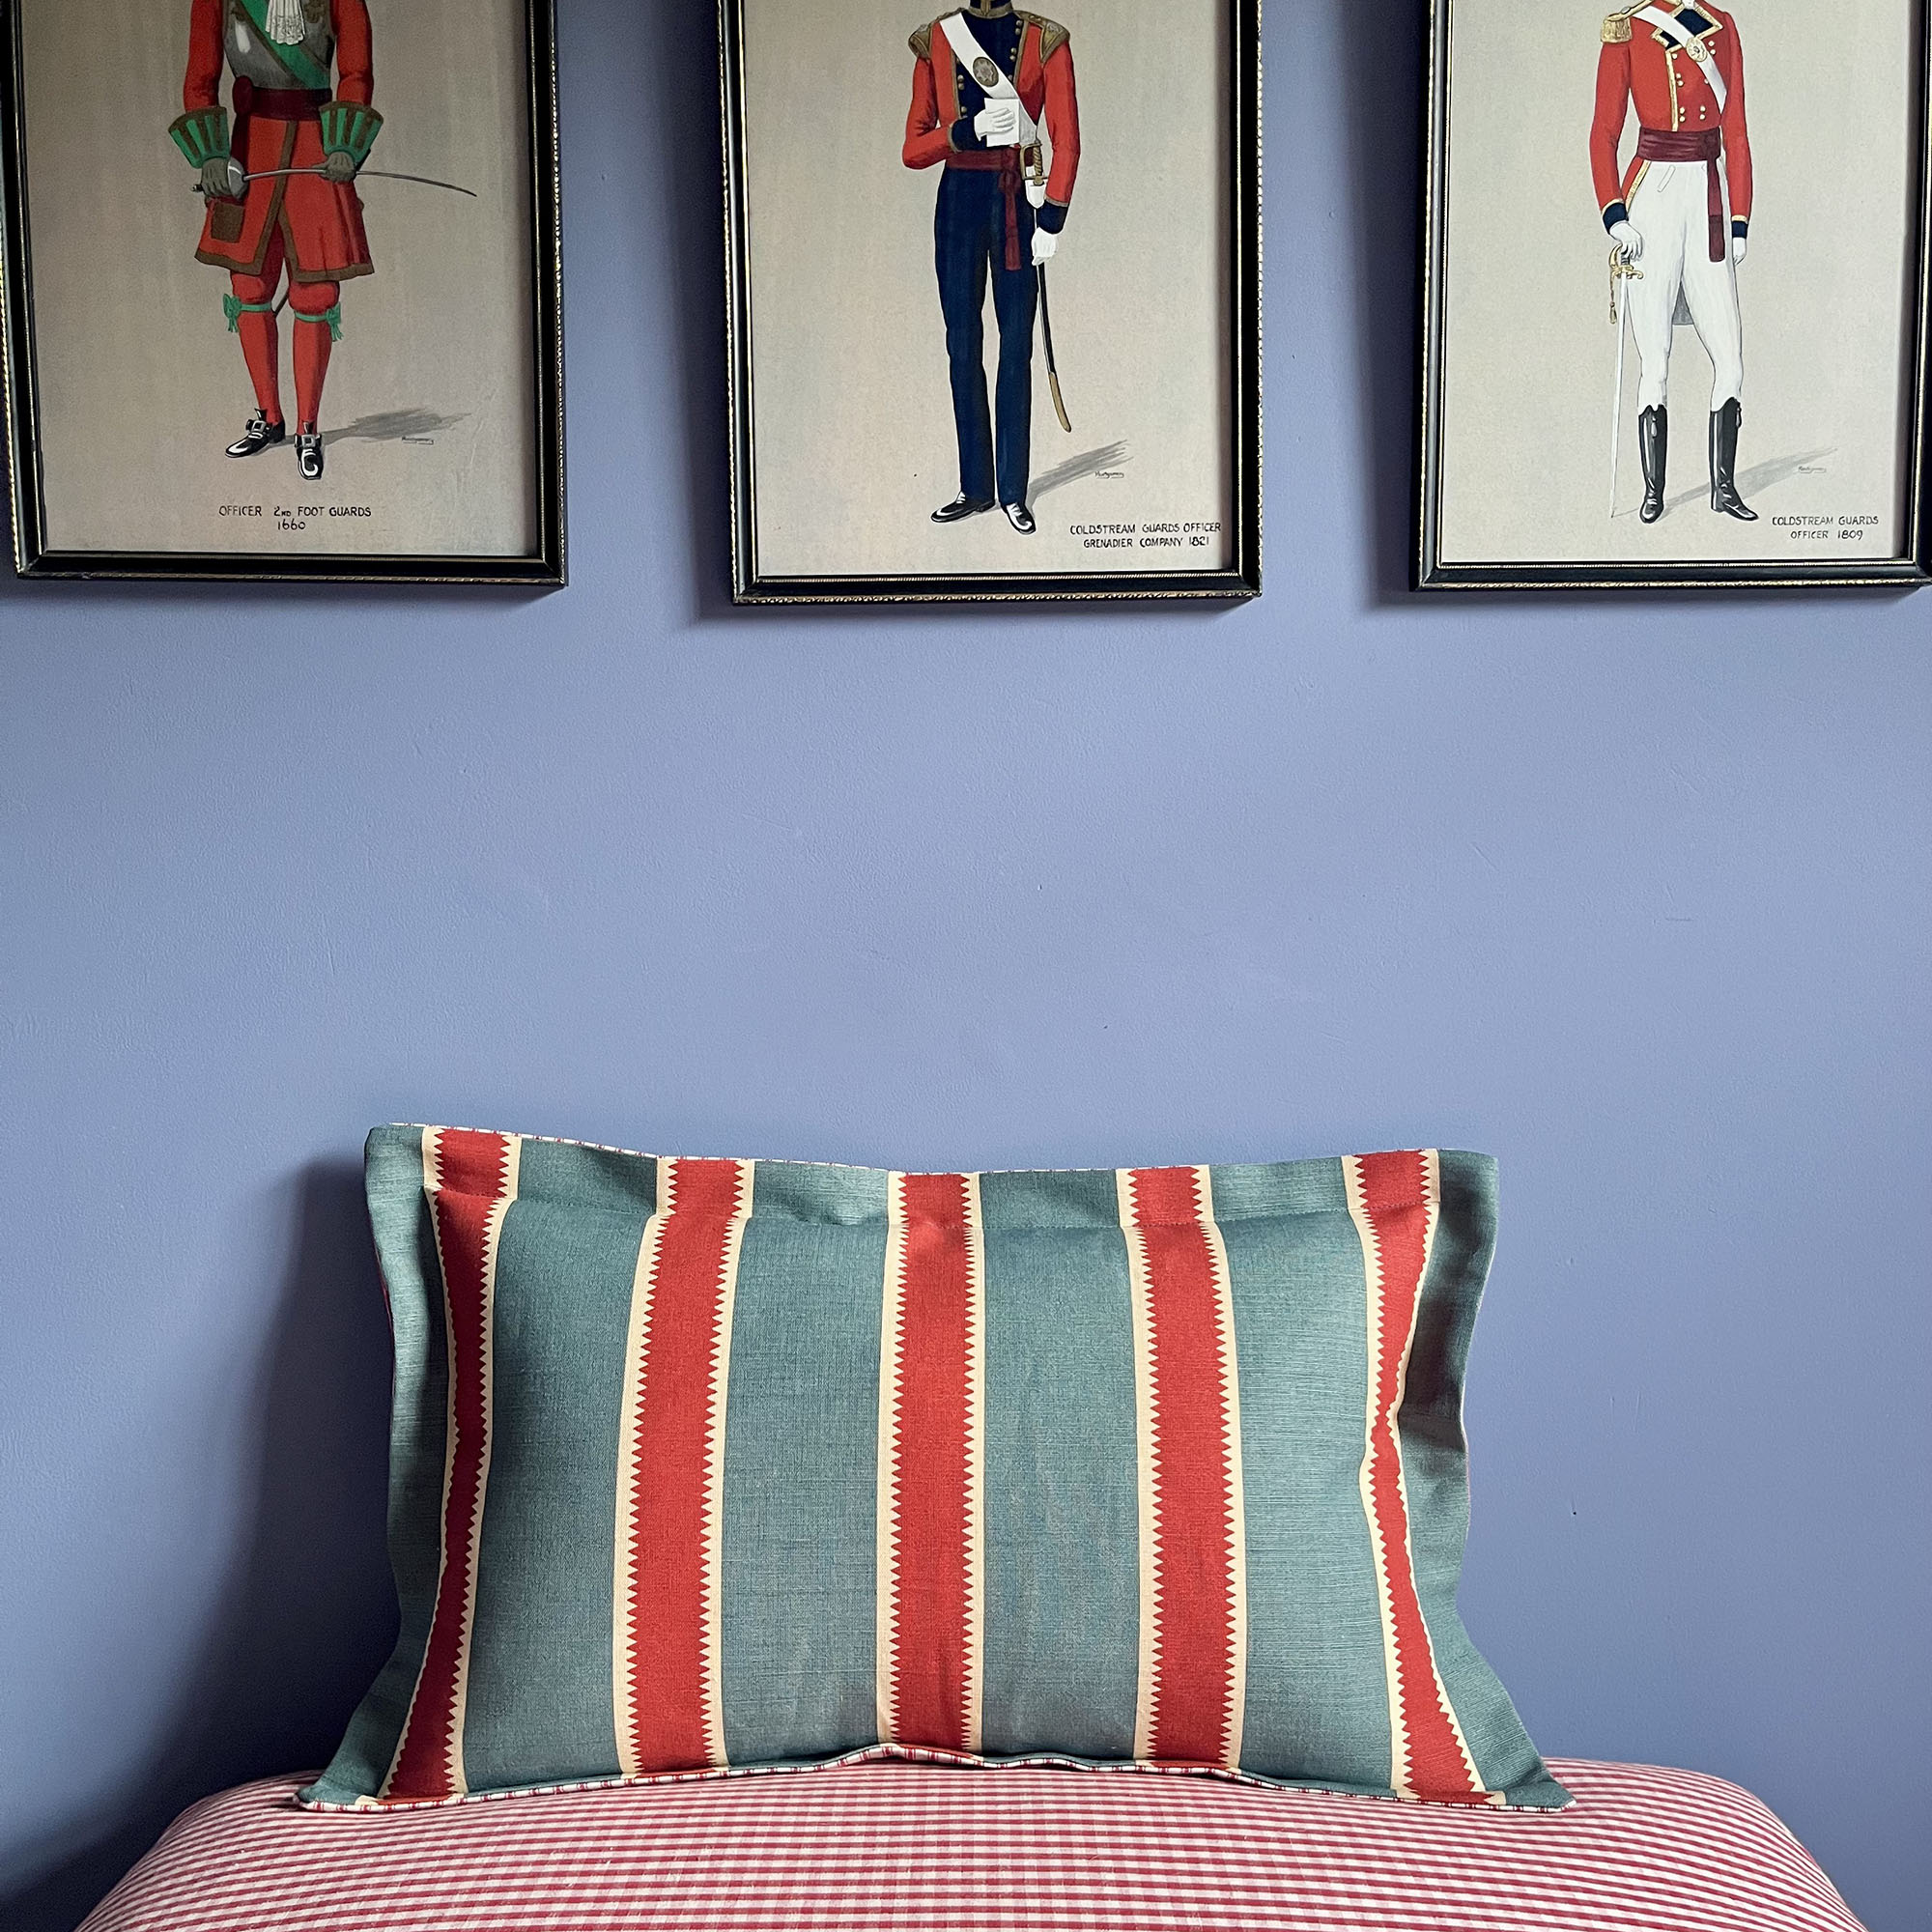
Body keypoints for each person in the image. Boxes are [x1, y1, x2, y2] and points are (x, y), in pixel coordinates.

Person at [169, 0, 384, 482]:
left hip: (318, 150)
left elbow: (356, 70)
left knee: (317, 293)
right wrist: (210, 155)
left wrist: (346, 145)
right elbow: (200, 79)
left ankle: (308, 428)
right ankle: (270, 417)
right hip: (246, 155)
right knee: (250, 288)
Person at [903, 1, 1079, 534]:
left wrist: (1050, 217)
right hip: (959, 201)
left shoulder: (1046, 40)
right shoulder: (935, 38)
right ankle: (974, 486)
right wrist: (964, 131)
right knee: (962, 343)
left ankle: (1012, 492)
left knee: (1015, 349)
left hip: (1015, 204)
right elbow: (913, 148)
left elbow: (1065, 138)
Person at [1590, 1, 1754, 523]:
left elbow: (1737, 134)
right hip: (1653, 196)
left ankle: (1723, 489)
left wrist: (1741, 218)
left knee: (1729, 357)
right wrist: (1616, 216)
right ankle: (1653, 490)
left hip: (1708, 195)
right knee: (1654, 357)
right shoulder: (1628, 27)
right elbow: (1603, 134)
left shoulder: (1723, 25)